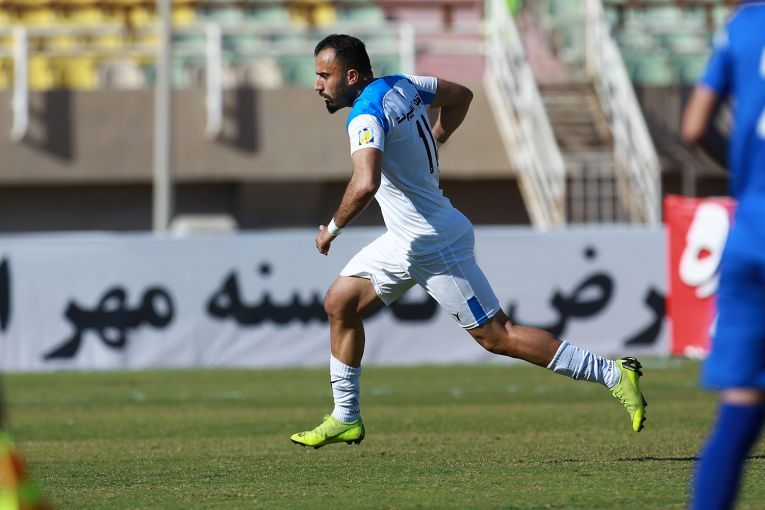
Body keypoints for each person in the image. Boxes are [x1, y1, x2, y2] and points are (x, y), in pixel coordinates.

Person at [290, 34, 647, 449]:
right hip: (406, 238)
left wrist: (332, 229)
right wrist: (436, 138)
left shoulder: (364, 117)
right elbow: (462, 96)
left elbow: (365, 182)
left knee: (499, 336)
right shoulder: (404, 84)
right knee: (340, 303)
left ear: (351, 76)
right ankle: (345, 416)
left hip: (432, 241)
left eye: (324, 75)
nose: (317, 84)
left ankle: (613, 374)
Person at [681, 2, 765, 509]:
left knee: (740, 405)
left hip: (752, 233)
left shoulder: (744, 25)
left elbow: (693, 127)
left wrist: (744, 172)